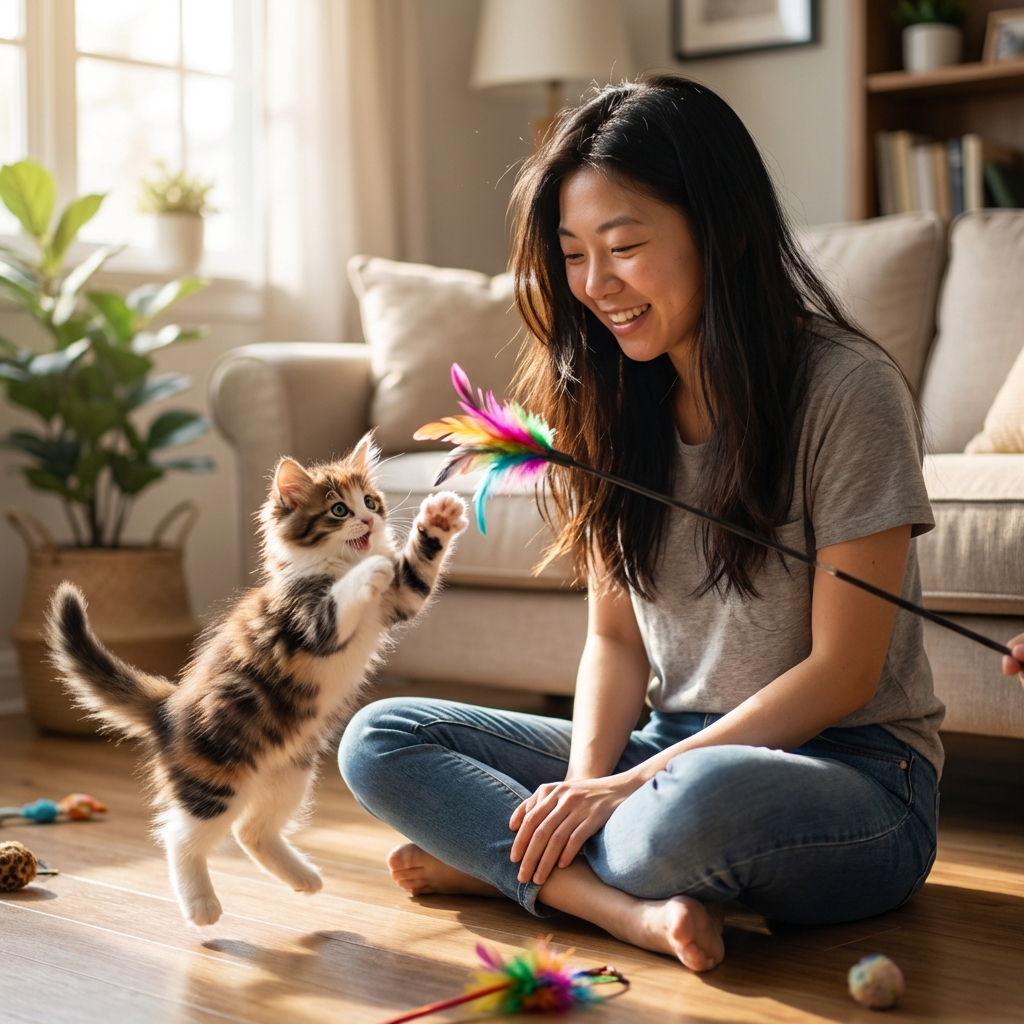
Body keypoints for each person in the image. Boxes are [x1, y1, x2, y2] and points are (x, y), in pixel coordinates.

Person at [339, 75, 1021, 972]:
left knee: (691, 809)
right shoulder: (618, 402)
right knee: (379, 738)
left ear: (721, 229)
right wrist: (590, 781)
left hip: (854, 777)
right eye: (574, 254)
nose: (595, 286)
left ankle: (509, 865)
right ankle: (622, 912)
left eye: (623, 246)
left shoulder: (848, 388)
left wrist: (625, 788)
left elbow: (845, 672)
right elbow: (616, 644)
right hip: (663, 749)